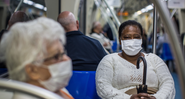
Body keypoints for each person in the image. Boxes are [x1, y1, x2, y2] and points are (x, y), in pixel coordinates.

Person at [96, 20, 175, 99]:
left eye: (136, 37)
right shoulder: (109, 60)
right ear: (120, 40)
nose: (132, 40)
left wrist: (156, 97)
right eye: (127, 37)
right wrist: (128, 98)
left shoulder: (154, 60)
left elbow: (168, 83)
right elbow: (103, 87)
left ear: (141, 39)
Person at [0, 17, 73, 99]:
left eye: (63, 53)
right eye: (56, 56)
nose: (67, 59)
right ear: (32, 70)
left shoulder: (53, 88)